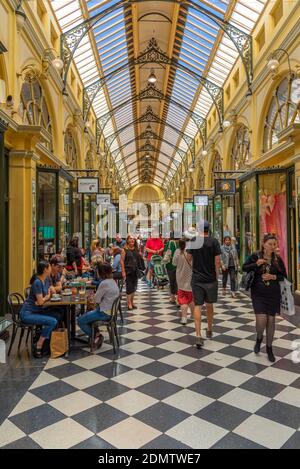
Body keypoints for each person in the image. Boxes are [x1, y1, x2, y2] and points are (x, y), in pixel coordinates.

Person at [242, 233, 287, 362]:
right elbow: (244, 267)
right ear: (264, 245)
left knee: (271, 321)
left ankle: (269, 348)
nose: (273, 247)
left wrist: (273, 277)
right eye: (270, 244)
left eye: (274, 244)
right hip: (258, 293)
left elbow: (284, 276)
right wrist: (256, 264)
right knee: (261, 320)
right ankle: (259, 339)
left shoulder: (277, 259)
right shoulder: (256, 256)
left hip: (273, 294)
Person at [186, 221, 221, 348]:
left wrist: (195, 268)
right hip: (210, 278)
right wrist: (216, 276)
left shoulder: (194, 241)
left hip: (197, 279)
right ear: (209, 228)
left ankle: (198, 335)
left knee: (198, 306)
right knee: (209, 304)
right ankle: (210, 329)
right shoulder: (214, 241)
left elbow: (188, 258)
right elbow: (217, 261)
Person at [20, 261, 62, 357]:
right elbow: (40, 301)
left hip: (37, 310)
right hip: (28, 313)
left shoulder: (46, 279)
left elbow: (45, 296)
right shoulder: (37, 282)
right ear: (45, 270)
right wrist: (46, 297)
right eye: (49, 267)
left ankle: (48, 341)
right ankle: (39, 345)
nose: (51, 268)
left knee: (58, 314)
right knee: (52, 321)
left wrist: (45, 297)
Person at [77, 263, 119, 350]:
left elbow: (96, 300)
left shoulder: (104, 283)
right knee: (88, 314)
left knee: (80, 320)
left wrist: (92, 297)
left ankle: (97, 335)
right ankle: (95, 334)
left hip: (104, 313)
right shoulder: (113, 281)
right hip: (111, 312)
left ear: (100, 273)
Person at [173, 238, 194, 324]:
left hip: (180, 279)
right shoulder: (191, 251)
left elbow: (174, 263)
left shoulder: (177, 252)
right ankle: (193, 315)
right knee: (191, 299)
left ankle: (184, 318)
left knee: (183, 300)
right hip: (191, 278)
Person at [121, 234, 144, 310]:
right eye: (130, 239)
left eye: (133, 239)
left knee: (134, 288)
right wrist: (123, 272)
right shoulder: (124, 250)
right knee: (129, 288)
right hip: (128, 271)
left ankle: (132, 302)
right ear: (127, 240)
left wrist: (140, 255)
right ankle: (129, 303)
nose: (132, 240)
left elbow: (138, 259)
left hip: (135, 271)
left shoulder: (136, 249)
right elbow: (121, 261)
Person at [164, 236, 178, 303]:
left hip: (170, 265)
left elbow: (164, 253)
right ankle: (178, 299)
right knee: (178, 282)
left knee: (172, 282)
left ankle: (173, 298)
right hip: (178, 265)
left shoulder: (168, 244)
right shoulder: (180, 243)